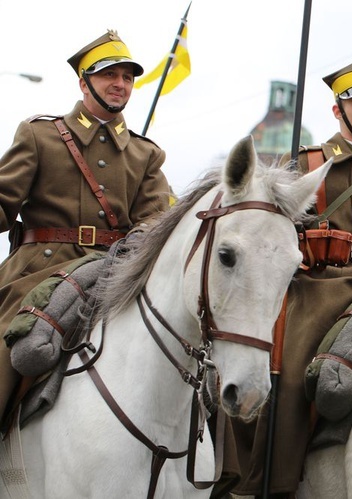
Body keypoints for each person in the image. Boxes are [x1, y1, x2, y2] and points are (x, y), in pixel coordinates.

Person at [226, 56, 352, 497]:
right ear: (338, 111)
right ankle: (268, 484)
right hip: (316, 291)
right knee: (295, 374)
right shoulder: (305, 164)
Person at [0, 30, 170, 425]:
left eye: (127, 77)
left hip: (112, 272)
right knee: (6, 344)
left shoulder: (145, 152)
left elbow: (156, 219)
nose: (120, 84)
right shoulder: (40, 135)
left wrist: (140, 243)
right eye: (110, 75)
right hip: (38, 271)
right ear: (84, 82)